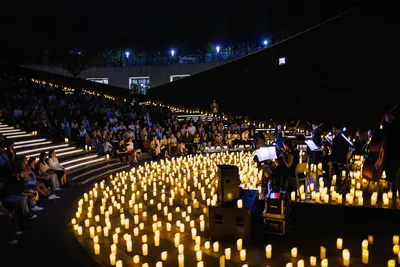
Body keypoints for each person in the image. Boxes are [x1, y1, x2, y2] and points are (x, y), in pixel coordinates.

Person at [376, 108, 400, 197]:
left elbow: (384, 133)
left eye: (387, 115)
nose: (385, 117)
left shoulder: (395, 126)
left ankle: (393, 190)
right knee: (389, 172)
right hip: (389, 154)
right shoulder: (391, 126)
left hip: (394, 153)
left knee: (392, 172)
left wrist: (382, 124)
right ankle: (390, 188)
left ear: (391, 116)